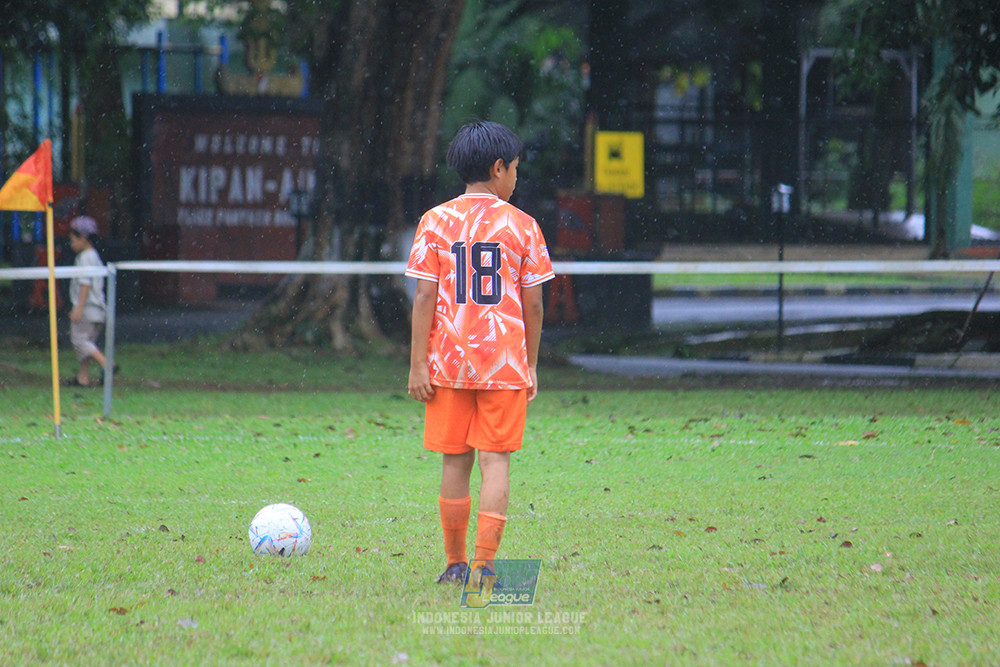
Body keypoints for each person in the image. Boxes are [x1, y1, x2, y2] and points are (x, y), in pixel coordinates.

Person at [406, 121, 554, 584]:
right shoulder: (524, 226)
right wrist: (530, 364)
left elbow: (424, 298)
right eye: (516, 169)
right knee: (495, 462)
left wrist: (417, 364)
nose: (516, 178)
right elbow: (533, 304)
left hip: (447, 364)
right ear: (498, 168)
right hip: (503, 364)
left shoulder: (434, 221)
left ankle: (453, 564)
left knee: (455, 461)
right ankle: (485, 565)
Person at [65, 216, 112, 387]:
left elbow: (85, 284)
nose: (71, 244)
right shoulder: (94, 256)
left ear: (83, 238)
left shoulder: (85, 257)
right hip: (98, 309)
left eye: (73, 240)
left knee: (79, 341)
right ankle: (82, 377)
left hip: (87, 308)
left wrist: (79, 307)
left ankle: (107, 364)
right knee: (88, 345)